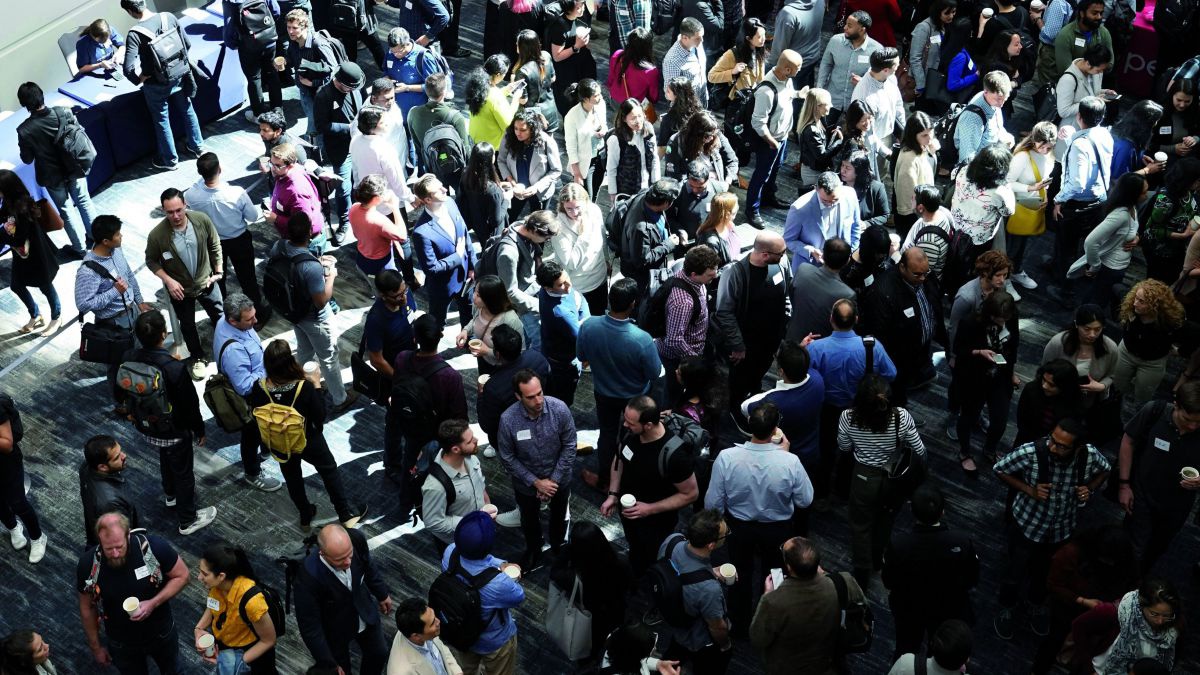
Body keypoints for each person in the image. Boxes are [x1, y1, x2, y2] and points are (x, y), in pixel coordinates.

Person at [992, 418, 1111, 640]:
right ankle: (1007, 606)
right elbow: (999, 469)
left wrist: (1090, 489)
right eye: (1052, 440)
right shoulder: (1031, 453)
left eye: (1062, 446)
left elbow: (1106, 469)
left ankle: (1035, 603)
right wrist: (1029, 489)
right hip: (1027, 525)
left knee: (1047, 572)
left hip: (1061, 530)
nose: (1053, 447)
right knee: (1015, 571)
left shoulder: (1089, 455)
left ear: (1077, 448)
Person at [708, 402, 813, 630]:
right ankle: (769, 622)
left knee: (738, 575)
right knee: (775, 575)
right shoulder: (790, 461)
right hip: (778, 530)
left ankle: (739, 624)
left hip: (738, 527)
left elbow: (712, 503)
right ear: (776, 430)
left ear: (749, 426)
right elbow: (805, 500)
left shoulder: (726, 458)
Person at [247, 340, 365, 528]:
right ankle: (345, 513)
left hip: (280, 442)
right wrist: (317, 383)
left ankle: (305, 515)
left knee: (292, 477)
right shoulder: (304, 387)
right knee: (329, 471)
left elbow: (256, 412)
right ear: (290, 362)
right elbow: (320, 416)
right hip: (309, 439)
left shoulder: (259, 387)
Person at [123, 310, 219, 535]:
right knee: (184, 472)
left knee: (166, 457)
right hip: (174, 431)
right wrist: (199, 429)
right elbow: (190, 404)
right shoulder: (173, 368)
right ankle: (187, 520)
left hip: (146, 426)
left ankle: (170, 495)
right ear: (164, 334)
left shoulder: (129, 357)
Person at [837, 374, 926, 586]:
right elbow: (919, 450)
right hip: (892, 480)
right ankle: (878, 560)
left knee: (860, 525)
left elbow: (844, 447)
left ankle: (861, 569)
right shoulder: (901, 417)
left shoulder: (847, 417)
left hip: (862, 477)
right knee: (885, 521)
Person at [265, 213, 358, 414]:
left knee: (305, 351)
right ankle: (340, 398)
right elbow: (321, 300)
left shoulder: (279, 246)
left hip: (292, 313)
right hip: (315, 319)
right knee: (328, 357)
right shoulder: (310, 267)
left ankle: (301, 386)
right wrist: (331, 276)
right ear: (309, 232)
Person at [577, 279, 663, 491]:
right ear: (633, 303)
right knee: (635, 437)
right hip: (634, 399)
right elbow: (654, 373)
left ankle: (605, 479)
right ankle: (631, 480)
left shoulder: (588, 326)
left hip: (603, 393)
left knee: (606, 435)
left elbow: (581, 356)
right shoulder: (642, 339)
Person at [808, 298, 898, 499]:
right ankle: (842, 491)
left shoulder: (816, 348)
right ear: (856, 319)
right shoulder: (872, 347)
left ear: (831, 319)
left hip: (827, 409)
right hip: (859, 409)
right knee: (850, 451)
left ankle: (821, 495)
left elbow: (803, 377)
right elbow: (891, 374)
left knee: (825, 450)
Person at [598, 395, 699, 573]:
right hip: (629, 511)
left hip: (656, 522)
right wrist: (613, 494)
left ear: (648, 425)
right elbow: (620, 458)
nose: (624, 425)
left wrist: (649, 509)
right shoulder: (631, 432)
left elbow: (691, 494)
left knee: (654, 558)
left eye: (630, 423)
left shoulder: (675, 456)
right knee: (635, 548)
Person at [78, 513, 190, 673]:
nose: (115, 553)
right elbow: (87, 607)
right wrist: (96, 647)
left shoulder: (152, 548)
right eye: (108, 549)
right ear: (100, 540)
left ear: (128, 535)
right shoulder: (89, 565)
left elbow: (183, 576)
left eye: (119, 547)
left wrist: (153, 603)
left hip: (161, 633)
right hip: (121, 643)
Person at [883, 487, 979, 659]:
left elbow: (889, 580)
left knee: (906, 649)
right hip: (947, 607)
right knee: (941, 651)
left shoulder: (899, 545)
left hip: (909, 608)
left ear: (912, 511)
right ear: (942, 512)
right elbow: (972, 577)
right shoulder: (961, 541)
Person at [496, 370, 577, 570]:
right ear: (518, 396)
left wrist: (553, 480)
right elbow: (507, 456)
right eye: (531, 397)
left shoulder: (559, 409)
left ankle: (558, 545)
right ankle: (534, 549)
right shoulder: (508, 420)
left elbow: (570, 445)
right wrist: (536, 482)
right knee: (529, 519)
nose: (538, 400)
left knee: (559, 515)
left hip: (559, 480)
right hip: (526, 485)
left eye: (540, 393)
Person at [750, 536, 866, 675]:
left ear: (789, 567)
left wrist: (767, 594)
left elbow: (758, 638)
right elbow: (862, 606)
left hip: (787, 666)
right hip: (827, 659)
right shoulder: (843, 581)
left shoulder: (774, 601)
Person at [1117, 380, 1200, 573]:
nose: (1194, 426)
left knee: (1158, 547)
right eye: (1188, 419)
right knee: (1133, 545)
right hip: (1142, 493)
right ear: (1176, 405)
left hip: (1178, 504)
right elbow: (1128, 441)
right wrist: (1124, 485)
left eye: (1199, 422)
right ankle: (1124, 585)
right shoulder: (1155, 411)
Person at [1033, 525, 1139, 674]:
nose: (1107, 563)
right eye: (1104, 558)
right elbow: (1053, 584)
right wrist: (1082, 601)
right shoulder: (1072, 552)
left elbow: (1131, 589)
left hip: (1100, 615)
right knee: (1054, 641)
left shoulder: (1125, 563)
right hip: (1067, 607)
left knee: (1088, 654)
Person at [146, 187, 224, 379]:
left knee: (220, 316)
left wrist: (219, 271)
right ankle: (197, 357)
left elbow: (214, 244)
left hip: (207, 282)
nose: (176, 216)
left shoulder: (201, 220)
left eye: (179, 210)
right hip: (180, 290)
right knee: (187, 325)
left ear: (185, 205)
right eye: (170, 212)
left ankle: (228, 346)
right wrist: (168, 281)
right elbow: (151, 260)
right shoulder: (157, 235)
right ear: (163, 211)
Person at [386, 315, 468, 496]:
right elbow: (460, 417)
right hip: (434, 432)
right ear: (440, 336)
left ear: (415, 339)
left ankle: (406, 496)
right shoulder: (450, 376)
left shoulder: (402, 358)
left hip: (406, 421)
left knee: (410, 459)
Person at [293, 524, 392, 675]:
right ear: (322, 553)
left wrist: (382, 593)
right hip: (334, 629)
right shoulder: (308, 577)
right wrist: (329, 663)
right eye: (340, 559)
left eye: (349, 555)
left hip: (364, 612)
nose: (348, 562)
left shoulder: (356, 540)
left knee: (379, 653)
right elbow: (310, 627)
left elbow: (368, 565)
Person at [14, 81, 97, 254]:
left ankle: (80, 249)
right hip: (75, 166)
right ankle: (97, 239)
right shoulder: (64, 111)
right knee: (84, 201)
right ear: (42, 94)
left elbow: (27, 159)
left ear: (24, 104)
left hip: (52, 176)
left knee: (66, 210)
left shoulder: (24, 130)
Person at [120, 0, 203, 171]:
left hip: (155, 84)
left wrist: (139, 79)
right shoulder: (168, 17)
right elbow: (186, 44)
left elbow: (128, 68)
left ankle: (170, 160)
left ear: (130, 11)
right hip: (179, 74)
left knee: (162, 120)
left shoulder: (135, 34)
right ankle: (198, 147)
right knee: (187, 109)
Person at [212, 293, 282, 492]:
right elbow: (244, 386)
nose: (256, 320)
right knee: (251, 435)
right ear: (232, 321)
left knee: (261, 429)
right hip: (250, 398)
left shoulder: (225, 321)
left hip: (258, 386)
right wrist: (267, 368)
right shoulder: (234, 351)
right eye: (250, 319)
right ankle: (252, 473)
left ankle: (266, 446)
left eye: (254, 315)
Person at [439, 512, 525, 674]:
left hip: (460, 632)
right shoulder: (499, 584)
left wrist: (500, 564)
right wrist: (508, 572)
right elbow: (518, 596)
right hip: (494, 641)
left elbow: (478, 560)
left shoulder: (450, 553)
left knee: (465, 670)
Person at [861, 247, 946, 406]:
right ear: (902, 267)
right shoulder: (883, 293)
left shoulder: (925, 276)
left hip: (921, 350)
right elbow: (879, 335)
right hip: (898, 359)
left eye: (925, 273)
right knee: (898, 393)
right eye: (917, 274)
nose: (922, 278)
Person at [714, 232, 792, 403]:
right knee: (739, 380)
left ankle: (753, 392)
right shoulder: (734, 273)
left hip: (771, 341)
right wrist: (737, 345)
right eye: (781, 252)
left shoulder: (781, 263)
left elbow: (786, 292)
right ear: (765, 255)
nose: (785, 255)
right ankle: (736, 407)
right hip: (746, 345)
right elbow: (724, 312)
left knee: (759, 372)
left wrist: (787, 315)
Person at [185, 153, 264, 313]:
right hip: (239, 240)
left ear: (200, 173)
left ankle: (221, 315)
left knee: (217, 282)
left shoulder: (191, 195)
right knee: (248, 279)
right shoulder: (236, 193)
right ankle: (258, 314)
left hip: (213, 243)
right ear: (219, 169)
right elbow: (253, 216)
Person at [655, 510, 733, 674]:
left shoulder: (672, 541)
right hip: (699, 640)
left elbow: (678, 568)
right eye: (725, 534)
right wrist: (725, 644)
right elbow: (717, 627)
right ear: (711, 545)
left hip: (674, 620)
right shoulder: (708, 589)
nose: (726, 535)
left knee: (673, 657)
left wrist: (709, 571)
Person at [549, 520, 636, 666]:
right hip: (614, 612)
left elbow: (554, 573)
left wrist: (568, 550)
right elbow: (631, 586)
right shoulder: (621, 561)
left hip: (587, 614)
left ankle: (586, 662)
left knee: (585, 640)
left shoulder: (573, 577)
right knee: (601, 640)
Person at [953, 290, 1020, 474]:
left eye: (1006, 318)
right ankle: (965, 453)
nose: (1003, 322)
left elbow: (1013, 347)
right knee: (968, 416)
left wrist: (1011, 372)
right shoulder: (971, 323)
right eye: (999, 319)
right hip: (974, 377)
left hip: (1000, 375)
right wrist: (979, 352)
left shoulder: (1011, 317)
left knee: (1000, 420)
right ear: (990, 314)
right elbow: (958, 349)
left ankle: (989, 449)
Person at [1053, 97, 1114, 285]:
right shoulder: (1106, 135)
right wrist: (1071, 135)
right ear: (1102, 117)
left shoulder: (1079, 146)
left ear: (1079, 115)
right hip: (1099, 201)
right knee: (1083, 245)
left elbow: (1077, 184)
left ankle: (1065, 289)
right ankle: (1058, 267)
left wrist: (1058, 200)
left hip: (1077, 204)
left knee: (1068, 248)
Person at [193, 542, 278, 674]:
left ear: (221, 576)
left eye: (204, 574)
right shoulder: (217, 586)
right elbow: (213, 606)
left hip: (250, 655)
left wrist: (234, 663)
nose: (199, 577)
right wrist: (199, 628)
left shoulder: (252, 602)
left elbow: (268, 640)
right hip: (226, 645)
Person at [0, 170, 62, 336]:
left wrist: (4, 234)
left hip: (35, 254)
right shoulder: (8, 202)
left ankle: (57, 317)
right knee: (16, 285)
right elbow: (4, 219)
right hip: (21, 254)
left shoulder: (22, 207)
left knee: (45, 285)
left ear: (7, 188)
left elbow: (19, 237)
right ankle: (36, 315)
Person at [1072, 172, 1145, 311]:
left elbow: (1130, 229)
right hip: (1110, 267)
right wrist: (1095, 265)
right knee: (1097, 301)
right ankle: (1083, 325)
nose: (1146, 195)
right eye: (1144, 192)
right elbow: (1090, 241)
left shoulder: (1132, 208)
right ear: (1133, 194)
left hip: (1119, 265)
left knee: (1098, 297)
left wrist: (1136, 237)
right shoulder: (1120, 215)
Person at [745, 50, 802, 228]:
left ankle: (768, 197)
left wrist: (799, 94)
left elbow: (788, 96)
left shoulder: (787, 80)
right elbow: (758, 122)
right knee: (761, 175)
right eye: (796, 68)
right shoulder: (766, 91)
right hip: (769, 141)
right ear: (786, 69)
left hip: (781, 137)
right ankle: (752, 209)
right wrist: (772, 142)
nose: (799, 71)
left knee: (774, 170)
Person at [656, 246, 720, 400]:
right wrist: (695, 359)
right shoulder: (683, 302)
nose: (714, 278)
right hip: (678, 359)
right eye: (710, 276)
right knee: (674, 394)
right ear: (693, 274)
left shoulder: (689, 278)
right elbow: (674, 340)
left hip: (689, 352)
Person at [1113, 280, 1186, 411]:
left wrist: (1182, 351)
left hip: (1152, 362)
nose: (1135, 303)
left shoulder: (1170, 322)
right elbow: (1116, 286)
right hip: (1126, 353)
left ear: (1155, 305)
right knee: (1118, 384)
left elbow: (1194, 334)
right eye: (1136, 298)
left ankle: (1138, 413)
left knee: (1143, 394)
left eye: (1141, 301)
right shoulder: (1131, 306)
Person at [422, 419, 491, 555]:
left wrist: (486, 501)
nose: (476, 440)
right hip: (458, 542)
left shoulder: (470, 458)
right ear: (455, 449)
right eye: (470, 441)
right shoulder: (435, 486)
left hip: (480, 528)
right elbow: (433, 522)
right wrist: (470, 522)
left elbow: (479, 483)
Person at [314, 62, 366, 240]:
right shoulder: (323, 95)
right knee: (343, 187)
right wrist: (349, 128)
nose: (351, 90)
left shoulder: (355, 88)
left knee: (361, 180)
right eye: (348, 87)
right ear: (338, 81)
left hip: (360, 143)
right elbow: (322, 125)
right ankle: (345, 221)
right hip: (340, 149)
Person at [475, 326, 551, 443]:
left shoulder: (493, 387)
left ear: (498, 354)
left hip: (512, 440)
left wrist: (481, 394)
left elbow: (487, 425)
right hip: (542, 423)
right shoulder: (538, 358)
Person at [1005, 122, 1057, 290]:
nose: (1045, 151)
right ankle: (1005, 277)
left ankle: (1015, 270)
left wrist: (1045, 193)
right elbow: (1007, 183)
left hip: (1032, 204)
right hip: (1016, 206)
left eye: (1049, 148)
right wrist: (1030, 188)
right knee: (1012, 245)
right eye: (1042, 147)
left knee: (1022, 244)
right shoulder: (1022, 157)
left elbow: (1045, 178)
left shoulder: (1049, 155)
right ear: (1034, 140)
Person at [1092, 579, 1181, 674]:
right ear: (1142, 606)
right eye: (1154, 614)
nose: (1160, 621)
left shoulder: (1175, 630)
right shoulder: (1124, 615)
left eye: (1166, 616)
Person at [350, 107, 415, 233]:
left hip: (367, 200)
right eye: (383, 122)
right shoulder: (384, 149)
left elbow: (356, 170)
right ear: (372, 127)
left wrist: (358, 190)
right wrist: (411, 198)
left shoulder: (356, 141)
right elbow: (397, 180)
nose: (387, 124)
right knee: (400, 235)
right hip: (387, 203)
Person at [545, 183, 608, 314]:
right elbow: (571, 263)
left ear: (586, 201)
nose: (574, 213)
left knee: (599, 314)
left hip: (600, 278)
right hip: (581, 286)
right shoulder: (559, 228)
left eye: (578, 207)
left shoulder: (594, 210)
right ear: (562, 206)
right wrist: (584, 234)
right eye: (569, 209)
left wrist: (606, 258)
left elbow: (603, 237)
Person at [950, 143, 1016, 263]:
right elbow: (1008, 211)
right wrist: (1008, 186)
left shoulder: (963, 169)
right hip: (978, 238)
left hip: (954, 226)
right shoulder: (999, 191)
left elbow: (952, 175)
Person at [281, 8, 341, 136]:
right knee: (313, 120)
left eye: (295, 28)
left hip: (319, 92)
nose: (291, 31)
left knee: (316, 123)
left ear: (305, 27)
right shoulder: (294, 41)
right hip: (304, 89)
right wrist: (285, 61)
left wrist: (313, 83)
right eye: (289, 27)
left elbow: (333, 70)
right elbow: (292, 59)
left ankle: (315, 148)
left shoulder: (318, 44)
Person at [535, 260, 589, 404]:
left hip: (552, 353)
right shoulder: (560, 313)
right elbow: (582, 336)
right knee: (563, 399)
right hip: (565, 364)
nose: (568, 286)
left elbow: (580, 298)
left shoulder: (546, 291)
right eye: (561, 284)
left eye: (567, 279)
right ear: (548, 287)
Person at [783, 171, 862, 268]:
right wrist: (811, 251)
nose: (830, 204)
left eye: (835, 200)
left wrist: (848, 253)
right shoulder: (799, 208)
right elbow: (788, 240)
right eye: (825, 200)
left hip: (841, 266)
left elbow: (856, 227)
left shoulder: (850, 195)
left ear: (841, 186)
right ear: (816, 188)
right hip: (809, 267)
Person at [0, 391, 42, 566]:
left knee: (18, 503)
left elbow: (7, 444)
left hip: (5, 464)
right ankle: (13, 527)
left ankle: (37, 538)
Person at [817, 11, 882, 124]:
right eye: (846, 24)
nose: (845, 28)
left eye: (850, 26)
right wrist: (820, 88)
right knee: (823, 131)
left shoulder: (876, 50)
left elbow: (880, 80)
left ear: (862, 29)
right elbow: (826, 64)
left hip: (857, 104)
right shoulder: (835, 41)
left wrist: (863, 82)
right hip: (832, 99)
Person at [1142, 157, 1200, 283]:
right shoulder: (1166, 200)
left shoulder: (1188, 193)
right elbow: (1153, 230)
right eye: (1197, 180)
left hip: (1176, 251)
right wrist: (1183, 235)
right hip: (1160, 252)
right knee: (1155, 285)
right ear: (1188, 180)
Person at [497, 111, 563, 220]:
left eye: (523, 130)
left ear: (532, 129)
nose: (518, 133)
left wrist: (536, 188)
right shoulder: (509, 136)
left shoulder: (546, 141)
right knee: (508, 218)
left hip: (539, 192)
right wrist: (512, 182)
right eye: (516, 128)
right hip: (516, 188)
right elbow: (501, 160)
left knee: (537, 223)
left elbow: (556, 170)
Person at [850, 47, 906, 173]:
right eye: (896, 66)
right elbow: (867, 134)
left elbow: (898, 105)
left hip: (888, 136)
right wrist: (888, 154)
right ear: (885, 70)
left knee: (883, 173)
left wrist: (903, 131)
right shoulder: (865, 96)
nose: (898, 68)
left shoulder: (890, 77)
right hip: (872, 144)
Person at [786, 238, 854, 340]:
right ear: (847, 261)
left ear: (823, 254)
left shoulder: (803, 269)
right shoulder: (848, 295)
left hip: (793, 336)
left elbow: (792, 295)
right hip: (819, 346)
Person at [79, 435, 140, 548]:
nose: (124, 456)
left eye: (120, 451)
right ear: (102, 467)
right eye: (117, 457)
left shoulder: (86, 466)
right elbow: (122, 536)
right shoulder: (111, 503)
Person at [265, 144, 325, 248]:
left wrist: (276, 219)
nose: (272, 169)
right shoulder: (285, 173)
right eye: (271, 163)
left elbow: (302, 225)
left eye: (277, 166)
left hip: (304, 243)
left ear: (291, 165)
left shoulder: (297, 192)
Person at [348, 174, 408, 278]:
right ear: (376, 198)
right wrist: (395, 208)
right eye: (383, 192)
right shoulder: (380, 221)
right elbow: (402, 236)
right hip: (382, 265)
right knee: (391, 291)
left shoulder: (354, 207)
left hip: (362, 259)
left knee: (375, 288)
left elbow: (356, 235)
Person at [1015, 358, 1085, 447]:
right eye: (1044, 380)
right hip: (1026, 441)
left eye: (1051, 385)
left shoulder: (1074, 403)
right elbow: (1022, 419)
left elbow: (1071, 431)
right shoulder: (1031, 389)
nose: (1044, 386)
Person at [546, 0, 597, 118]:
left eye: (583, 5)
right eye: (579, 7)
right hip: (566, 73)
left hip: (580, 67)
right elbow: (557, 56)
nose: (583, 8)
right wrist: (576, 47)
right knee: (569, 104)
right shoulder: (559, 27)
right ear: (568, 9)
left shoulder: (579, 19)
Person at [953, 71, 1015, 167]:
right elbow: (967, 158)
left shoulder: (992, 102)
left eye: (1005, 99)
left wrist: (1006, 138)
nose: (1001, 104)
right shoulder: (973, 118)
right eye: (998, 99)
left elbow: (998, 129)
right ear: (986, 91)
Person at [386, 597, 463, 675]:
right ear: (416, 636)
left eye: (434, 616)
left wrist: (456, 671)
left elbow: (441, 648)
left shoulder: (412, 627)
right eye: (432, 623)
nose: (438, 621)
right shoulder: (402, 671)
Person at [893, 112, 938, 238]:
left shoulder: (922, 147)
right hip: (912, 216)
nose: (929, 139)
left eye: (931, 133)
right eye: (924, 135)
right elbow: (907, 201)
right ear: (913, 136)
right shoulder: (909, 160)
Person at [464, 56, 523, 151]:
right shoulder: (496, 96)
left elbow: (488, 100)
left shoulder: (477, 86)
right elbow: (508, 124)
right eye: (504, 74)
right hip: (491, 147)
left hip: (476, 141)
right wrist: (515, 100)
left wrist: (506, 90)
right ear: (498, 75)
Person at [562, 80, 608, 198]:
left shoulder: (600, 104)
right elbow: (571, 147)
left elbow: (604, 124)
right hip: (584, 162)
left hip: (600, 156)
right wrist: (577, 173)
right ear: (586, 99)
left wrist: (603, 130)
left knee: (595, 193)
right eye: (596, 95)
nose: (600, 97)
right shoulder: (572, 116)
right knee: (585, 197)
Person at [458, 142, 511, 244]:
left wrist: (500, 185)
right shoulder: (493, 191)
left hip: (476, 223)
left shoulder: (466, 174)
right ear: (491, 159)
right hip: (491, 233)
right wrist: (507, 199)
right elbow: (495, 221)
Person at [604, 99, 659, 198]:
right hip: (626, 191)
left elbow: (654, 158)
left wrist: (656, 184)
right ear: (624, 119)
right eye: (633, 118)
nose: (638, 121)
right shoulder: (616, 139)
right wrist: (613, 195)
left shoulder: (649, 130)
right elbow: (611, 169)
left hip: (647, 187)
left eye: (640, 116)